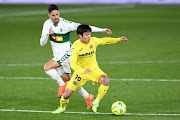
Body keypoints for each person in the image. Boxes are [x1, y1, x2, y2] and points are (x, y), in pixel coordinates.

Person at [40, 4, 112, 109]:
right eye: (53, 15)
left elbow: (84, 27)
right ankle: (88, 97)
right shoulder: (47, 24)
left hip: (67, 54)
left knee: (47, 67)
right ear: (49, 15)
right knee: (71, 81)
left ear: (59, 13)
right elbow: (42, 43)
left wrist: (101, 29)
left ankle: (61, 85)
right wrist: (47, 33)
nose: (55, 17)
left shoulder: (65, 24)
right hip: (57, 55)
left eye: (57, 14)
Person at [52, 24, 128, 113]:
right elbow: (73, 64)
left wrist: (118, 39)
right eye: (86, 35)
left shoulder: (93, 41)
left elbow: (104, 40)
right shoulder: (75, 47)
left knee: (105, 80)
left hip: (93, 70)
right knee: (66, 95)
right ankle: (62, 108)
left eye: (89, 34)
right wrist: (83, 70)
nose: (89, 37)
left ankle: (96, 102)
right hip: (80, 73)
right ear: (80, 36)